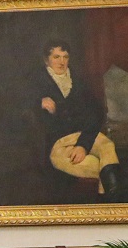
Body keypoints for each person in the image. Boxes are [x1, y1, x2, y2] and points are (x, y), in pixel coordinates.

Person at [35, 40, 120, 196]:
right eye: (56, 57)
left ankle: (113, 198)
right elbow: (14, 105)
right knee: (97, 165)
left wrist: (83, 145)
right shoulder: (36, 83)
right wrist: (37, 102)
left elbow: (97, 113)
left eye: (65, 57)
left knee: (107, 146)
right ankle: (112, 197)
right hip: (59, 143)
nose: (62, 62)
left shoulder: (79, 82)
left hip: (83, 135)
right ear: (46, 60)